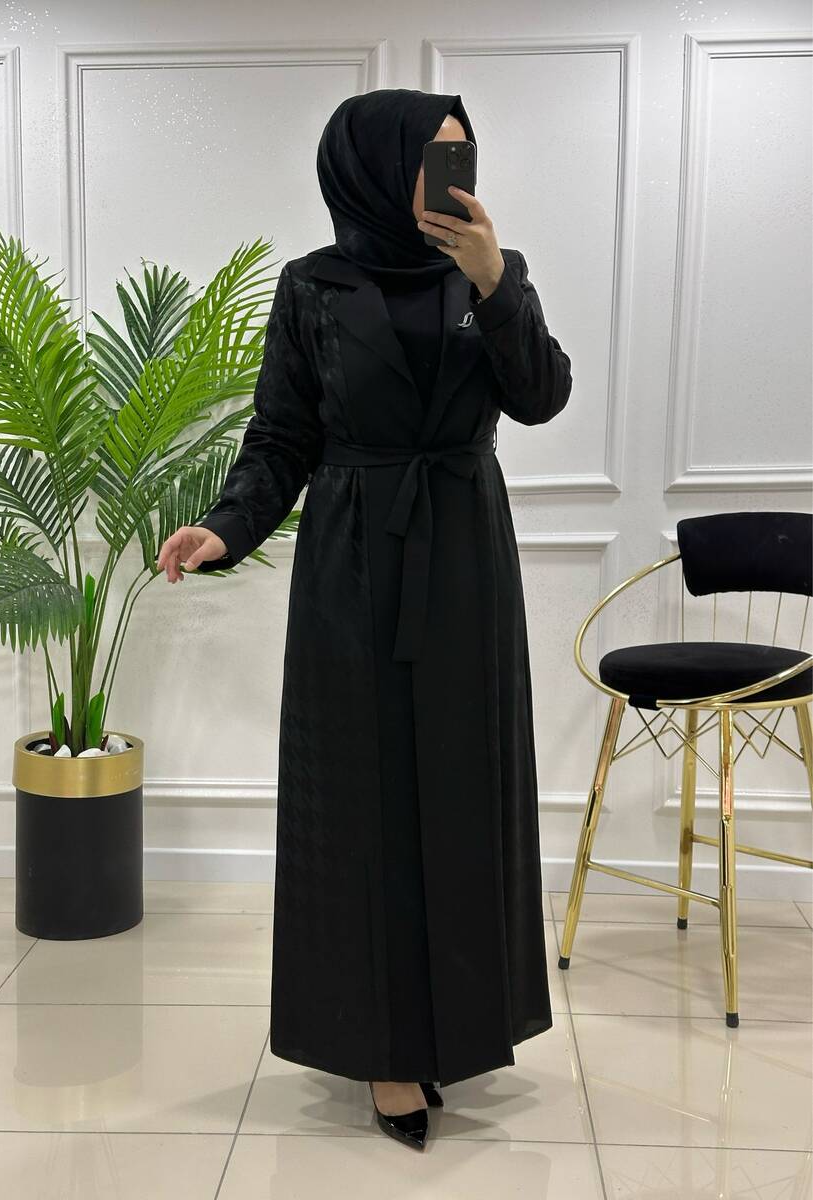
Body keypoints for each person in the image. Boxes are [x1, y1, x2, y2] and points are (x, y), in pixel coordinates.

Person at [157, 88, 572, 1151]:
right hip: (351, 561)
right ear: (373, 167)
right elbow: (281, 435)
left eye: (462, 156)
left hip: (464, 555)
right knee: (365, 805)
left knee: (464, 790)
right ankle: (384, 1050)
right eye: (432, 156)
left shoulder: (490, 273)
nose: (450, 176)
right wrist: (225, 527)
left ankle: (463, 1025)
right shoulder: (313, 286)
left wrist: (493, 282)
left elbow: (539, 396)